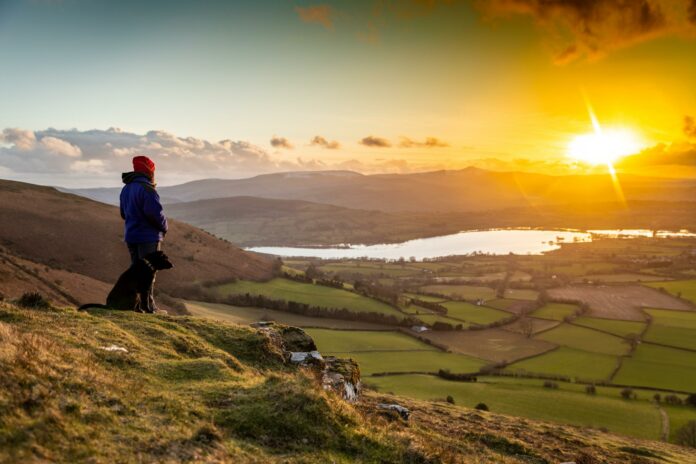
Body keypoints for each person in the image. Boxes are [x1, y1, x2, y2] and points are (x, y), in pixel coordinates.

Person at [119, 155, 168, 313]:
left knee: (136, 272)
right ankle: (150, 308)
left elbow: (123, 213)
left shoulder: (126, 189)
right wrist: (164, 227)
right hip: (148, 237)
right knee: (148, 274)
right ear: (149, 171)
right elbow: (156, 215)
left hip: (131, 236)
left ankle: (137, 306)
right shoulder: (148, 189)